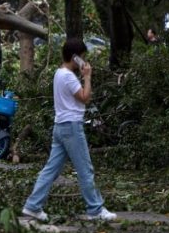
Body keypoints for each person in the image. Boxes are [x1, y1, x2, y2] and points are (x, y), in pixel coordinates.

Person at [21, 38, 117, 222]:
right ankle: (95, 210)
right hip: (72, 127)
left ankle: (33, 206)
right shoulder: (68, 76)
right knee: (85, 169)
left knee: (51, 170)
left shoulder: (59, 73)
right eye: (82, 56)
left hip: (60, 127)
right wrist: (87, 77)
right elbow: (85, 97)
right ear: (75, 57)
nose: (84, 59)